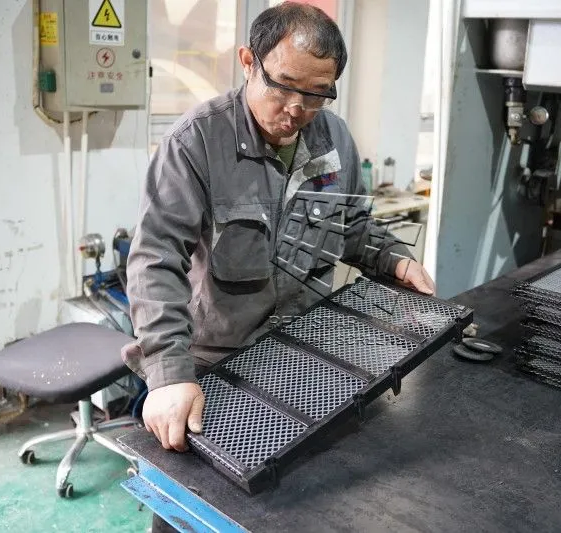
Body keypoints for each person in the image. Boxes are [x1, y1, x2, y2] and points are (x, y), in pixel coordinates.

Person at [122, 4, 434, 530]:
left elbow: (353, 227)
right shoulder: (196, 142)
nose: (296, 108)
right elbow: (155, 260)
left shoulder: (334, 139)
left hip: (307, 358)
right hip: (217, 367)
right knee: (197, 513)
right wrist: (169, 375)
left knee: (303, 508)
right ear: (249, 62)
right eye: (283, 85)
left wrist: (395, 259)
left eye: (316, 94)